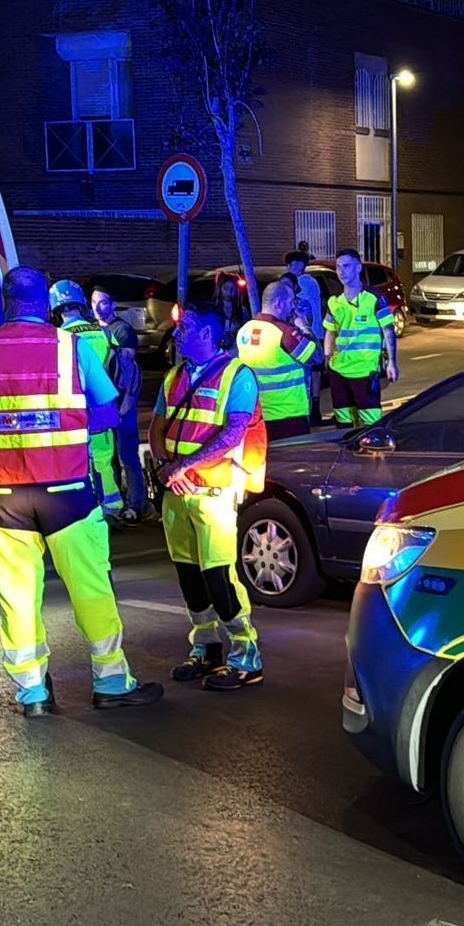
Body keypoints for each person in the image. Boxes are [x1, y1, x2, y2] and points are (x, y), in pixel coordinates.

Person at [0, 266, 163, 717]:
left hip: (4, 498)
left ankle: (34, 693)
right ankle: (111, 681)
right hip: (67, 492)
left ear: (5, 301)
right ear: (46, 304)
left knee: (18, 598)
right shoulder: (71, 347)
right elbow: (108, 414)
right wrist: (64, 430)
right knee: (90, 588)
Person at [151, 306, 266, 691]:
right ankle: (205, 647)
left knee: (219, 576)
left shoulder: (238, 376)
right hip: (177, 492)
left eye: (187, 330)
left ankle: (245, 656)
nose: (178, 335)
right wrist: (168, 466)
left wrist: (182, 468)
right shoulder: (174, 377)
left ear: (209, 335)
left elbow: (233, 434)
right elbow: (156, 428)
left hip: (212, 492)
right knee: (189, 577)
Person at [50, 280, 124, 519]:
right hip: (104, 408)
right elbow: (120, 367)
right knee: (104, 461)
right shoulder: (104, 332)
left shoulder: (59, 337)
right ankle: (112, 507)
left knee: (79, 463)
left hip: (74, 414)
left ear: (56, 309)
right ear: (82, 304)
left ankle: (91, 510)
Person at [322, 247, 398, 428]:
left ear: (358, 268)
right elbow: (330, 332)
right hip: (338, 370)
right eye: (338, 267)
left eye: (346, 266)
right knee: (343, 422)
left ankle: (376, 454)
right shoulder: (334, 302)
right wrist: (327, 357)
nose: (341, 271)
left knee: (371, 421)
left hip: (364, 371)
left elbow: (388, 331)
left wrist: (392, 362)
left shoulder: (375, 298)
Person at [237, 282, 318, 440]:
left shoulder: (245, 330)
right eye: (291, 302)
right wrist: (305, 326)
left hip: (257, 416)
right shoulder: (284, 333)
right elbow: (317, 357)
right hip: (288, 416)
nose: (292, 308)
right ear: (279, 304)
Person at [105, 316, 149, 523]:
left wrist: (122, 411)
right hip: (115, 411)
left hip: (120, 412)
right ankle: (129, 504)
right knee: (118, 458)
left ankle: (135, 505)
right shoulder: (112, 346)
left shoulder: (119, 348)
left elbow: (131, 383)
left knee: (126, 457)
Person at [284, 250, 326, 422]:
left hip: (305, 334)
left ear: (296, 265)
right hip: (317, 332)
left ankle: (309, 410)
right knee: (315, 372)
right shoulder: (313, 282)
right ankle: (315, 408)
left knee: (307, 373)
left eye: (290, 265)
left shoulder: (301, 283)